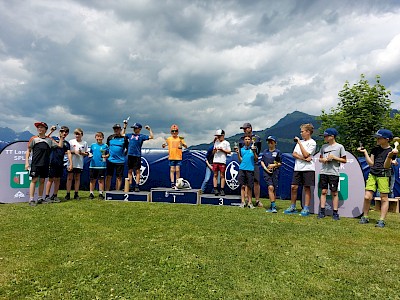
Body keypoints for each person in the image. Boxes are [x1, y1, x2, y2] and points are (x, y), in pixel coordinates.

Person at [358, 129, 398, 228]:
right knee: (367, 197)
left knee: (384, 198)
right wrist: (365, 152)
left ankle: (381, 220)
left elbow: (386, 166)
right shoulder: (375, 149)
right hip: (373, 174)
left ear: (387, 139)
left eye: (379, 138)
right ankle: (365, 216)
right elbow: (371, 163)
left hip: (384, 175)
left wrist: (389, 157)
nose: (377, 139)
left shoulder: (391, 151)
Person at [25, 122, 64, 206]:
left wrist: (61, 136)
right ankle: (31, 199)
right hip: (35, 163)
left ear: (45, 130)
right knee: (34, 180)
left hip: (45, 164)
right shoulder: (33, 139)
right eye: (38, 127)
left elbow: (60, 146)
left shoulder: (49, 140)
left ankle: (40, 198)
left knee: (42, 181)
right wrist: (27, 163)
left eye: (41, 127)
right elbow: (28, 150)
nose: (39, 129)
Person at [284, 123, 317, 216]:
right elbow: (294, 154)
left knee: (306, 187)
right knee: (293, 187)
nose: (301, 133)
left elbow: (306, 154)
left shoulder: (312, 143)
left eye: (302, 131)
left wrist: (299, 143)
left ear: (308, 132)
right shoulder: (300, 143)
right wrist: (303, 158)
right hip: (298, 168)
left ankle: (306, 208)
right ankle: (292, 206)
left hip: (308, 168)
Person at [317, 128, 347, 220]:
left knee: (334, 192)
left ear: (332, 136)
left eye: (326, 136)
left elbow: (344, 160)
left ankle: (335, 212)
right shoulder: (323, 147)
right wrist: (324, 160)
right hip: (324, 172)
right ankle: (322, 211)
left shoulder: (340, 147)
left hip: (334, 173)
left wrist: (334, 157)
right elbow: (320, 158)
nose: (324, 138)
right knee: (323, 191)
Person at [44, 126, 73, 203]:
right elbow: (45, 138)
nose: (64, 133)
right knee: (50, 179)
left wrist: (70, 163)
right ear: (60, 132)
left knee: (58, 179)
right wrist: (51, 131)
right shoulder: (53, 138)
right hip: (52, 162)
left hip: (60, 163)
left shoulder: (66, 143)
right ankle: (47, 196)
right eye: (62, 131)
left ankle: (55, 195)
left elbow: (69, 153)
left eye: (66, 132)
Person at [238, 122, 263, 207]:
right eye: (243, 129)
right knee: (244, 183)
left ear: (250, 128)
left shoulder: (257, 138)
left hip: (254, 162)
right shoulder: (241, 139)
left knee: (256, 181)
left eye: (245, 128)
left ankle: (257, 200)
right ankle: (245, 200)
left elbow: (259, 150)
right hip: (245, 163)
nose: (244, 130)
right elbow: (241, 151)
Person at [125, 123, 154, 192]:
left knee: (137, 171)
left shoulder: (141, 136)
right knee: (130, 170)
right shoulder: (130, 135)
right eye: (134, 128)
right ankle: (130, 185)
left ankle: (137, 185)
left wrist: (149, 129)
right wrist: (125, 126)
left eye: (136, 128)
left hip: (137, 155)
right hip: (130, 155)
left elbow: (151, 137)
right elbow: (122, 134)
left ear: (139, 129)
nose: (134, 129)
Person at [260, 135, 282, 213]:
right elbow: (262, 161)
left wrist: (274, 165)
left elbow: (280, 163)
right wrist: (265, 168)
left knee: (274, 189)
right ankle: (273, 205)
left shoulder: (278, 152)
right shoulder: (265, 152)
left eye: (271, 142)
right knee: (270, 187)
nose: (270, 144)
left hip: (275, 172)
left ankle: (272, 204)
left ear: (275, 143)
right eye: (268, 142)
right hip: (266, 172)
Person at [65, 128, 88, 200]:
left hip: (79, 163)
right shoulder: (71, 142)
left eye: (78, 134)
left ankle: (76, 194)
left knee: (77, 178)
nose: (77, 135)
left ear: (82, 134)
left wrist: (81, 153)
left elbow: (87, 153)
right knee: (69, 178)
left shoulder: (84, 143)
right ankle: (68, 194)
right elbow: (66, 152)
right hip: (71, 162)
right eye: (76, 134)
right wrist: (73, 152)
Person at [236, 135, 258, 208]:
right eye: (246, 139)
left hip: (250, 169)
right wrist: (238, 154)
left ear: (251, 141)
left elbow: (256, 159)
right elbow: (240, 160)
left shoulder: (254, 148)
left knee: (249, 187)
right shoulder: (241, 149)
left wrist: (254, 152)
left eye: (249, 139)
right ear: (244, 141)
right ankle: (242, 202)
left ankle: (250, 202)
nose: (247, 140)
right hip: (242, 169)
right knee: (242, 186)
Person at [162, 124, 187, 189]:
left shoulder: (180, 138)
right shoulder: (169, 139)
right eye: (173, 131)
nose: (174, 132)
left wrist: (182, 144)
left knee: (178, 170)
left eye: (175, 131)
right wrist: (163, 145)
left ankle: (177, 183)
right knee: (172, 169)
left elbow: (186, 146)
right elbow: (165, 144)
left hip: (178, 156)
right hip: (172, 156)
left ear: (178, 132)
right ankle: (172, 183)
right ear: (171, 132)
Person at [106, 123, 128, 191]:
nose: (116, 130)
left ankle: (117, 192)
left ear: (120, 129)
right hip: (110, 160)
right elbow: (107, 147)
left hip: (120, 161)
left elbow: (127, 148)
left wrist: (123, 155)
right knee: (109, 176)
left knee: (119, 177)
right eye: (115, 129)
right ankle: (107, 191)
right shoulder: (110, 137)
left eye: (118, 129)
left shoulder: (124, 138)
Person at [89, 132, 109, 199]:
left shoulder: (105, 146)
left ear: (103, 138)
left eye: (100, 136)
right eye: (97, 136)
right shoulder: (92, 145)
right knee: (92, 180)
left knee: (101, 180)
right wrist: (89, 155)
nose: (99, 138)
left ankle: (101, 193)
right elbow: (90, 153)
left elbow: (108, 154)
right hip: (93, 165)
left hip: (102, 165)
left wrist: (105, 156)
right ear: (95, 137)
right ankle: (91, 193)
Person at [212, 129, 231, 196]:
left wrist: (222, 150)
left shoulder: (226, 143)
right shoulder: (216, 142)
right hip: (215, 160)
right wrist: (215, 150)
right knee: (215, 175)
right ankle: (215, 189)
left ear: (223, 135)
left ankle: (222, 189)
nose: (218, 137)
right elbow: (213, 153)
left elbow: (229, 152)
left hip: (222, 161)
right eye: (217, 136)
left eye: (219, 136)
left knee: (222, 175)